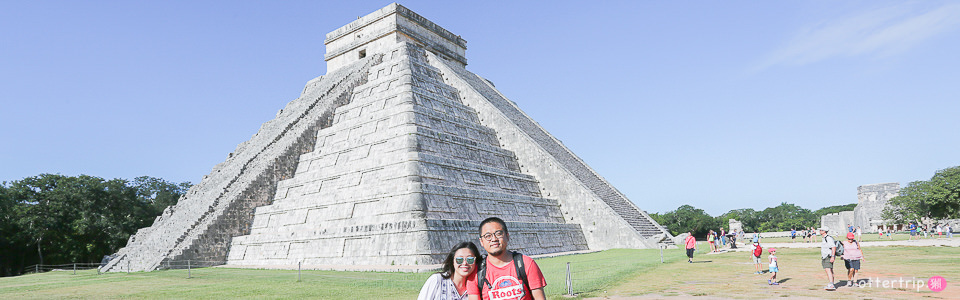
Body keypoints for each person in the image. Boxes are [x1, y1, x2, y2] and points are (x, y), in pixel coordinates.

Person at [467, 217, 546, 300]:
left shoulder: (526, 263)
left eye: (498, 234)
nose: (494, 239)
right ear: (481, 242)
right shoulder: (476, 272)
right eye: (488, 236)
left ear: (507, 236)